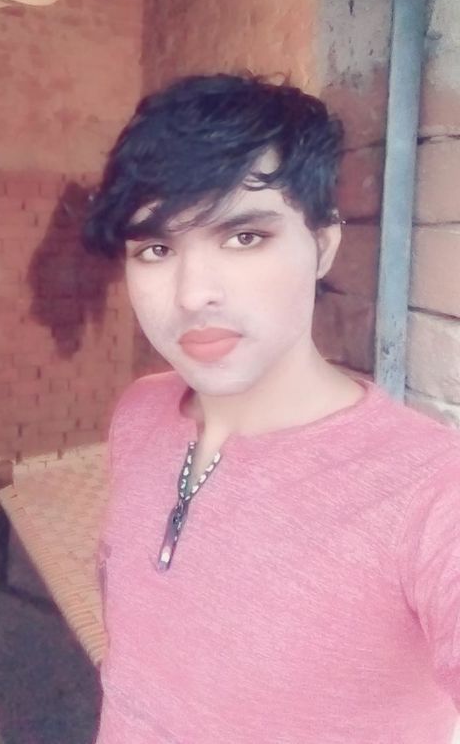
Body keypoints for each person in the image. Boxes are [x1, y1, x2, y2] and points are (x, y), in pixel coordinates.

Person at [83, 73, 460, 744]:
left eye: (244, 237)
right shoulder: (140, 412)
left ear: (322, 244)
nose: (193, 294)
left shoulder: (433, 488)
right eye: (157, 249)